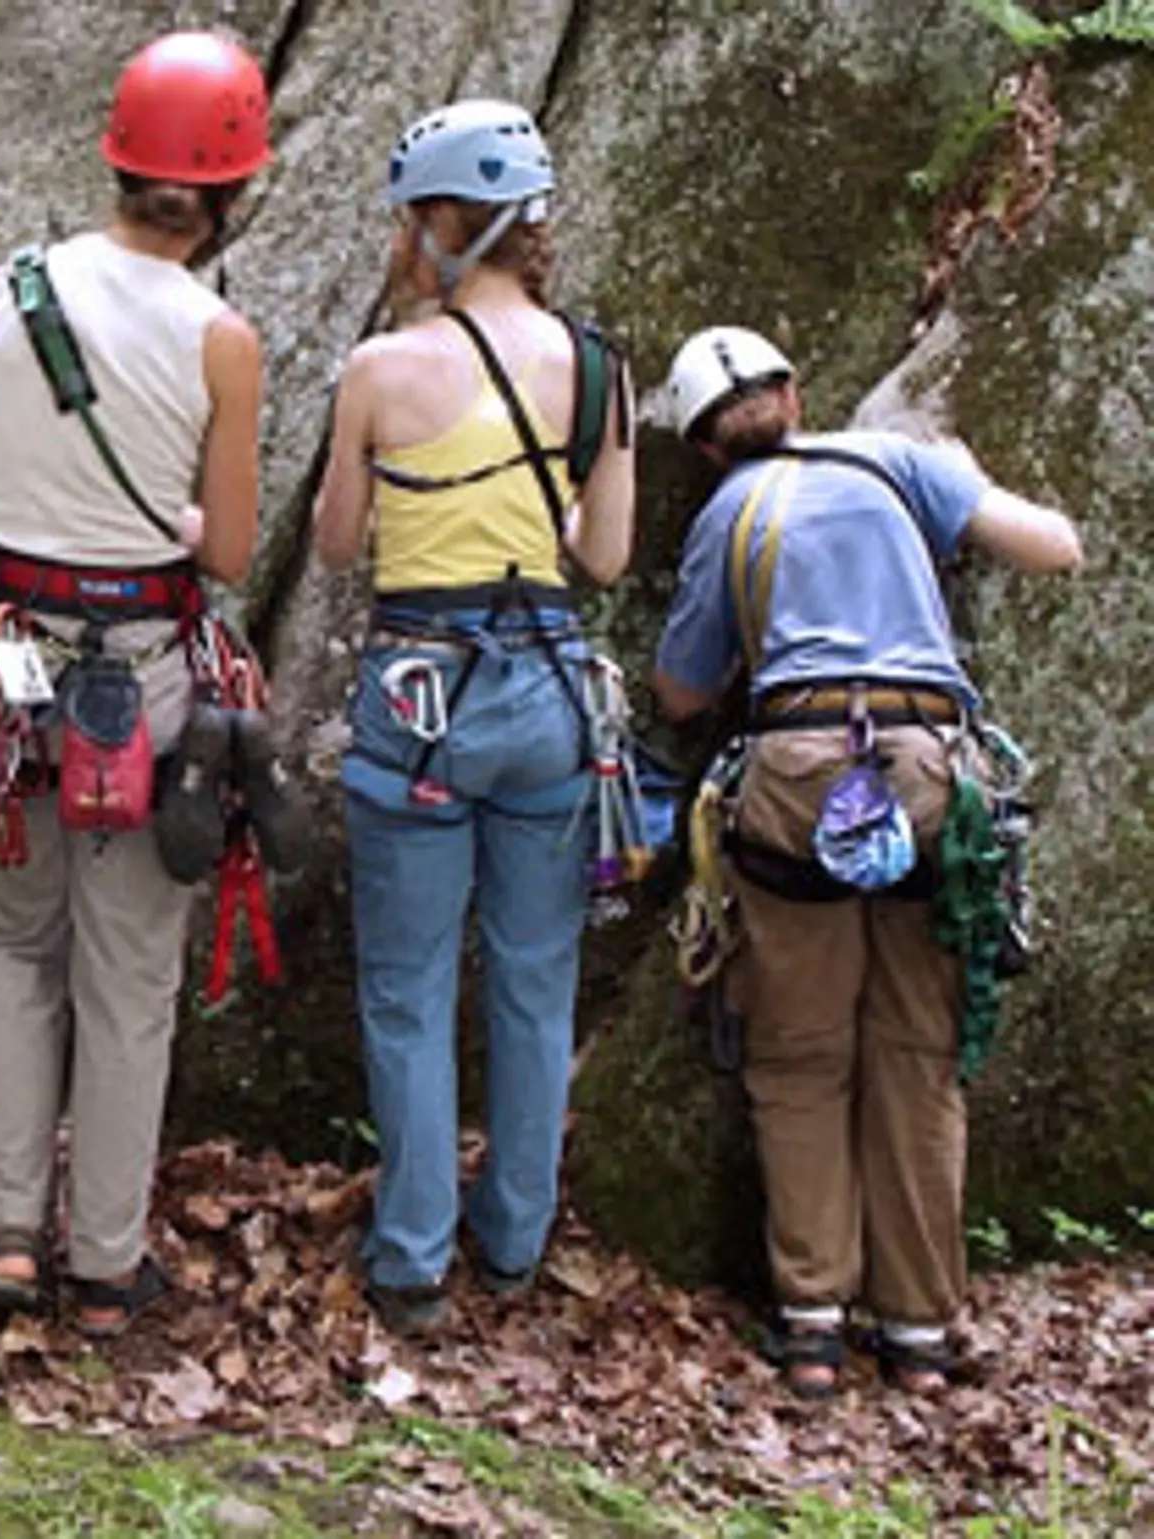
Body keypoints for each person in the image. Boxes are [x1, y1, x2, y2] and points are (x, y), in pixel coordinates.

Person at [0, 29, 269, 1337]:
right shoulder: (224, 340)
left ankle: (10, 1239)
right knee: (129, 978)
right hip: (147, 682)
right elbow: (226, 551)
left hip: (0, 677)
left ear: (113, 159)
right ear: (235, 189)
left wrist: (18, 492)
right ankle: (107, 1261)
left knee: (18, 949)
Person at [652, 325, 1082, 1397]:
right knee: (917, 1053)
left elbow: (681, 693)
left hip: (796, 775)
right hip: (930, 766)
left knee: (797, 1053)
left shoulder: (725, 516)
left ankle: (809, 1322)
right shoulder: (894, 461)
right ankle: (919, 1331)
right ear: (793, 395)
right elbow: (1054, 546)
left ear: (705, 447)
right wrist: (970, 478)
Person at [312, 100, 636, 1336]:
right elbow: (600, 558)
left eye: (410, 215)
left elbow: (340, 544)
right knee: (533, 980)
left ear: (446, 224)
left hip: (420, 695)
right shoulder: (597, 368)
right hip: (548, 693)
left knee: (405, 989)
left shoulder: (383, 367)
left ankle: (410, 1259)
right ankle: (512, 1241)